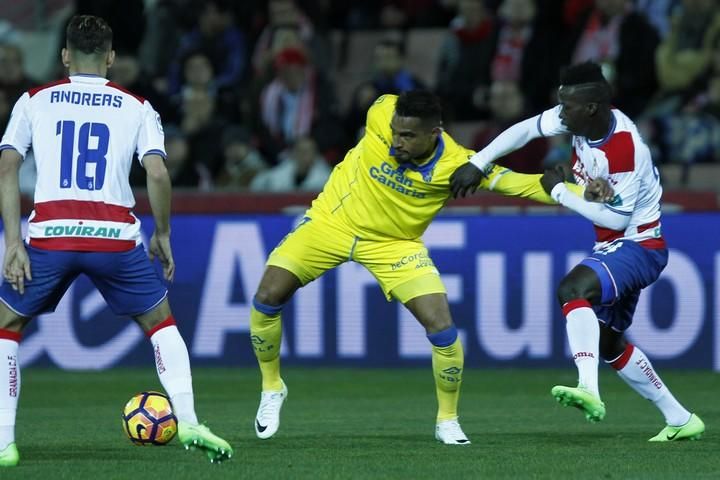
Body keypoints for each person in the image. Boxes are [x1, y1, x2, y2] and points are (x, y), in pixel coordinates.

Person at [248, 89, 604, 445]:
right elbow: (385, 104)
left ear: (434, 133)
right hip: (330, 224)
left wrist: (571, 190)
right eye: (395, 132)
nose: (396, 142)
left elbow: (521, 185)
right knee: (267, 295)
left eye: (407, 136)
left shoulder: (457, 165)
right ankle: (272, 387)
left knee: (441, 325)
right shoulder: (382, 112)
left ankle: (447, 420)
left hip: (394, 245)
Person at [0, 15, 233, 467]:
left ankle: (4, 441)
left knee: (6, 328)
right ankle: (187, 419)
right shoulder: (137, 106)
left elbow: (7, 167)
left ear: (65, 55)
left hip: (51, 235)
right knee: (161, 324)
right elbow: (159, 173)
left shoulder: (34, 100)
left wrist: (13, 240)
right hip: (115, 238)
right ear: (111, 58)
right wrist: (162, 233)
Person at [450, 61, 705, 441]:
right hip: (614, 245)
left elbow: (615, 220)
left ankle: (588, 388)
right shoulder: (577, 119)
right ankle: (681, 419)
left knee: (572, 290)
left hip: (640, 245)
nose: (560, 114)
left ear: (592, 107)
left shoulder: (624, 148)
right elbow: (525, 129)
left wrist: (557, 192)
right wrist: (478, 161)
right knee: (608, 342)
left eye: (567, 107)